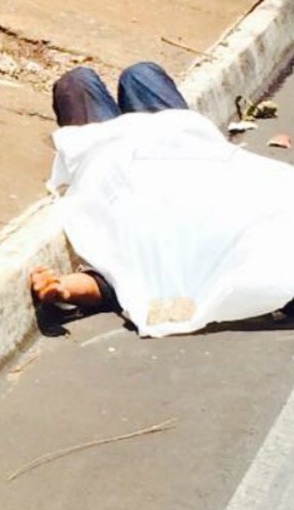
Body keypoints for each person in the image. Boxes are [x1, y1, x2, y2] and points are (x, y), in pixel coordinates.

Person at [30, 62, 294, 337]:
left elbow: (123, 281)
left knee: (78, 82)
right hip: (182, 146)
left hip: (111, 160)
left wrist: (61, 288)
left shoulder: (224, 281)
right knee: (140, 74)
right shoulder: (277, 222)